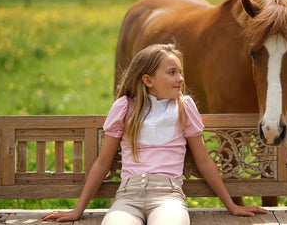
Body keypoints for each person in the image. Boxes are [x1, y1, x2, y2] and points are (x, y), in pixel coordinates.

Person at [42, 43, 266, 224]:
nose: (181, 78)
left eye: (180, 72)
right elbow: (102, 163)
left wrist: (232, 205)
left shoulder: (184, 107)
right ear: (147, 80)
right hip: (128, 196)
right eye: (171, 72)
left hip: (167, 196)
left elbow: (204, 161)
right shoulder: (124, 107)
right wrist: (77, 210)